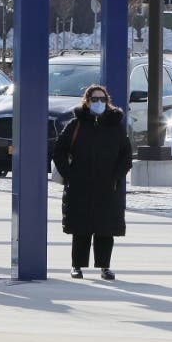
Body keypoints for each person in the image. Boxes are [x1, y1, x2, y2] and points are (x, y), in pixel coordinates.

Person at [53, 84, 132, 281]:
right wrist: (69, 175)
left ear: (108, 101)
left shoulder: (116, 125)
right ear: (87, 102)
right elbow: (58, 150)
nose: (99, 103)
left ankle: (105, 266)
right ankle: (76, 265)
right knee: (81, 227)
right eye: (94, 99)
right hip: (80, 183)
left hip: (108, 184)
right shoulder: (76, 124)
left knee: (106, 228)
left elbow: (126, 155)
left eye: (102, 99)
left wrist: (116, 176)